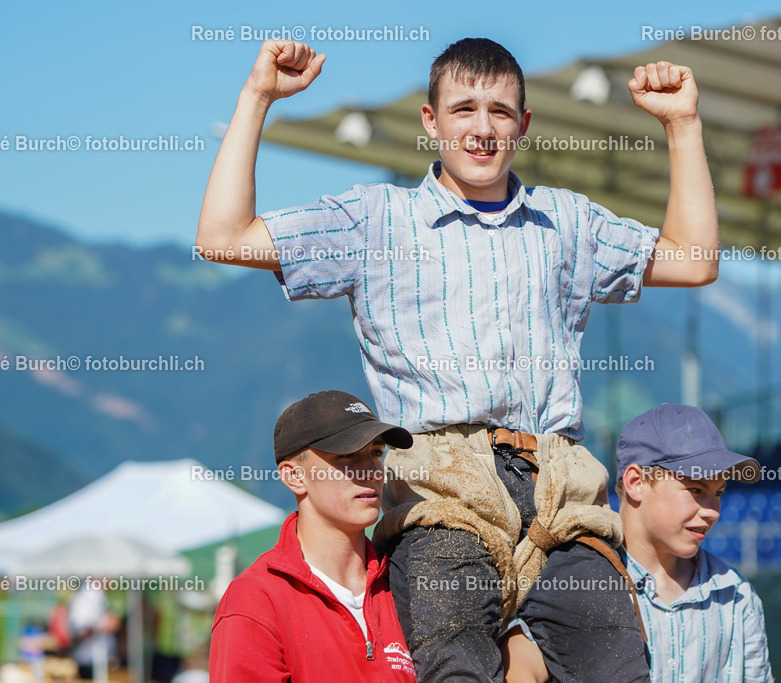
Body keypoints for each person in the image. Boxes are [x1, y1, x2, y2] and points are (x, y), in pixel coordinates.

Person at [196, 35, 719, 680]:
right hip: (442, 489)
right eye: (463, 109)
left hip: (559, 487)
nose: (481, 129)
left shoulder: (567, 221)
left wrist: (682, 124)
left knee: (620, 670)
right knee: (457, 671)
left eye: (500, 111)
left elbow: (694, 262)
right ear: (430, 121)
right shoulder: (377, 220)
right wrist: (257, 98)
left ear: (523, 125)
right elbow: (224, 239)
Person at [209, 390, 417, 682]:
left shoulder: (406, 580)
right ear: (294, 477)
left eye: (375, 452)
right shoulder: (255, 601)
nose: (370, 470)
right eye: (346, 456)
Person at [615, 403, 773, 682]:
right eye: (696, 489)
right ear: (636, 482)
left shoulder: (736, 594)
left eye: (719, 493)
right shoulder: (583, 583)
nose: (712, 511)